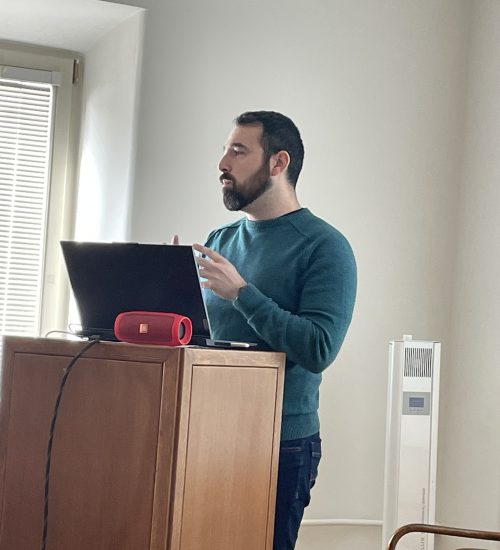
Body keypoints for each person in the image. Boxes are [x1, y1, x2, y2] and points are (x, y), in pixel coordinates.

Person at [192, 111, 357, 549]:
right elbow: (209, 340)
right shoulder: (221, 240)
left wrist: (243, 293)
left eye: (238, 151)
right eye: (224, 150)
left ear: (278, 163)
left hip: (279, 447)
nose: (222, 163)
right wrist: (171, 301)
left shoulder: (325, 247)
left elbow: (318, 348)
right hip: (206, 434)